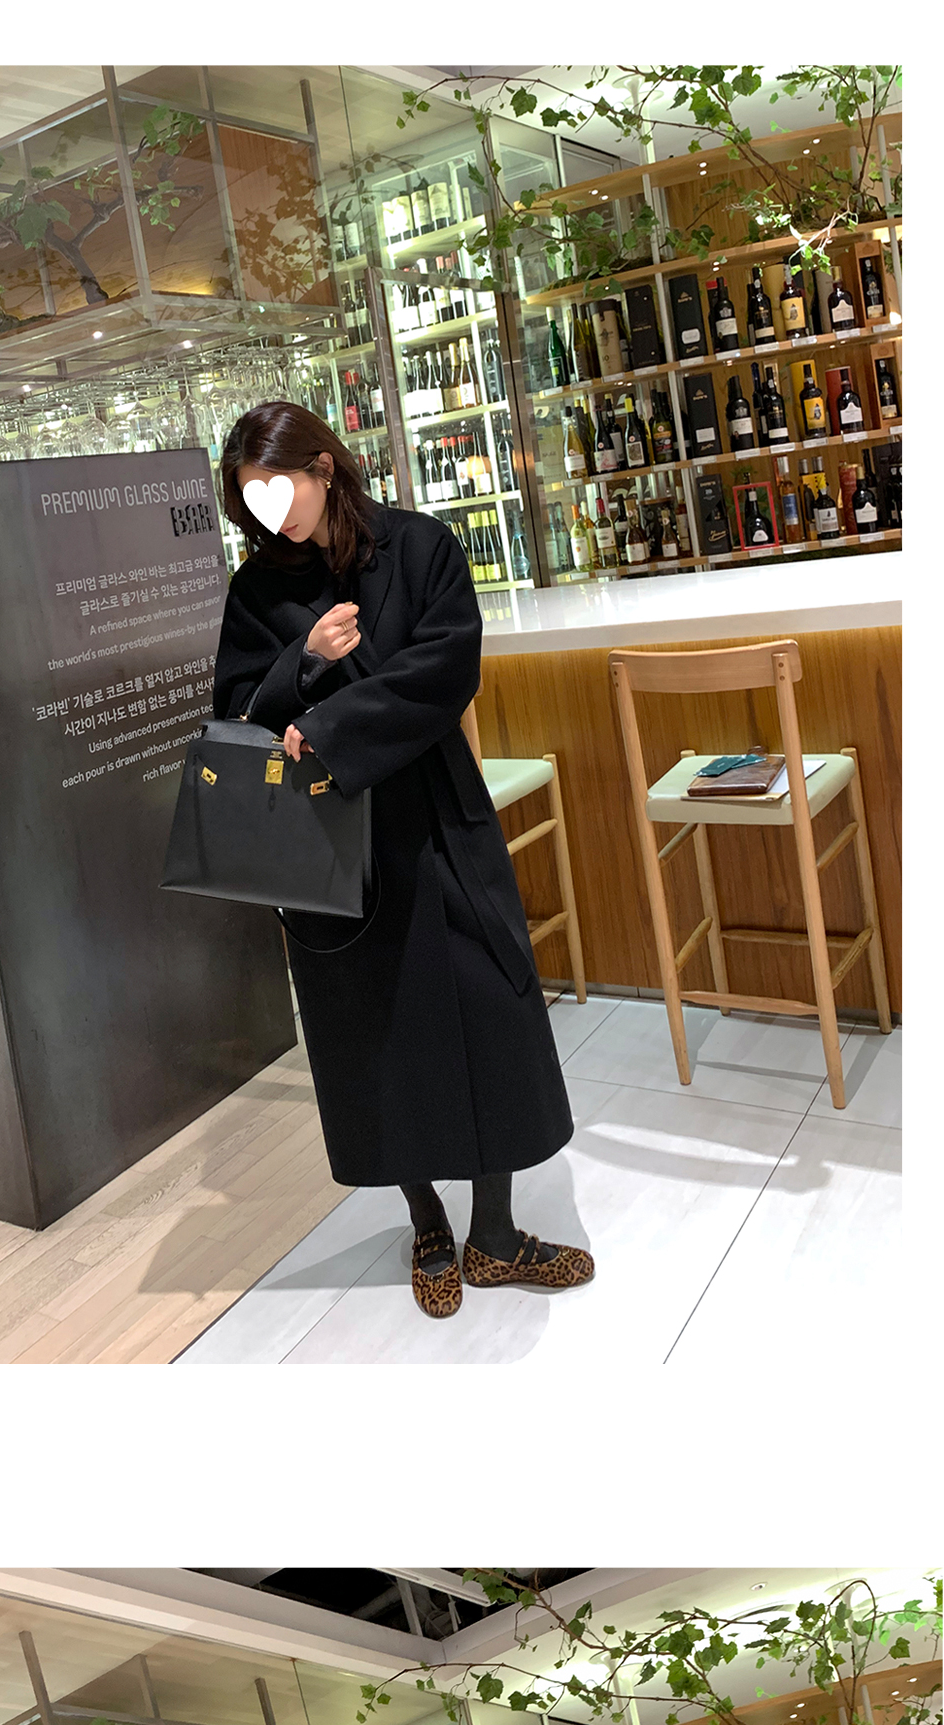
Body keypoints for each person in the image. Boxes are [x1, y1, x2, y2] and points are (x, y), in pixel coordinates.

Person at [212, 402, 594, 1321]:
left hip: (435, 816)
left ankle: (495, 1235)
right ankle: (426, 1224)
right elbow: (237, 711)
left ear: (323, 467)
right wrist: (303, 661)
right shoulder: (256, 591)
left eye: (279, 488)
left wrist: (334, 725)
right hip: (331, 847)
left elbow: (447, 666)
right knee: (374, 1035)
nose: (271, 515)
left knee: (489, 1008)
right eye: (251, 500)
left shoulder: (420, 547)